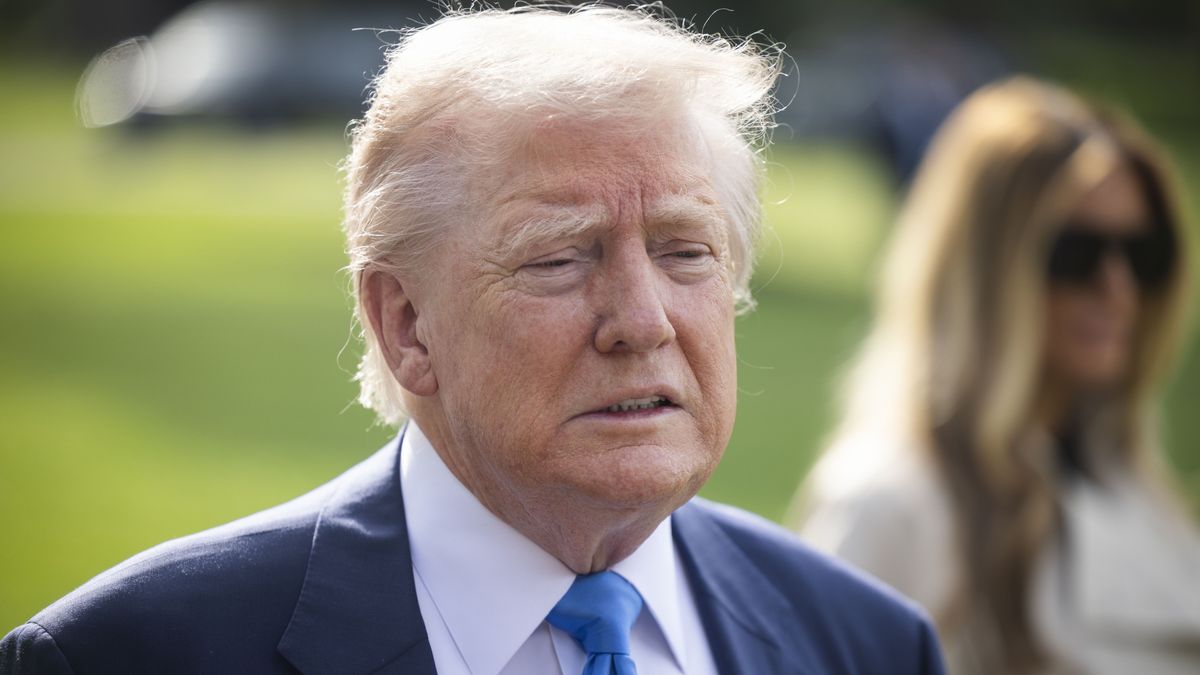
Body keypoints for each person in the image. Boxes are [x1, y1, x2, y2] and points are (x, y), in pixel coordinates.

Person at [1, 6, 946, 674]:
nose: (644, 320)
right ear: (406, 324)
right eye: (559, 259)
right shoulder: (129, 654)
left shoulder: (865, 644)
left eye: (684, 250)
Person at [796, 76, 1200, 675]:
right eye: (1076, 253)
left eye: (1143, 254)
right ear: (985, 271)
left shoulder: (1134, 487)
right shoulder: (892, 503)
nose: (1118, 290)